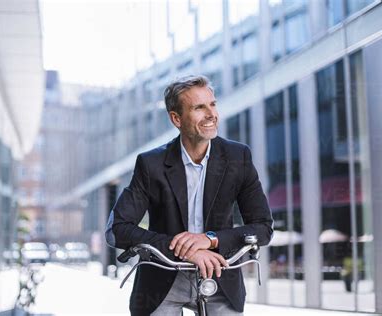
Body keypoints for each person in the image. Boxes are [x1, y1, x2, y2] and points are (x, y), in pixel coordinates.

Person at [107, 75, 273, 315]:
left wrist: (210, 239)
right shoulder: (150, 164)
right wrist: (187, 250)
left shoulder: (238, 157)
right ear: (176, 118)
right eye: (199, 107)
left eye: (212, 104)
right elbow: (117, 229)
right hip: (161, 281)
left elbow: (263, 227)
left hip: (220, 276)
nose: (211, 114)